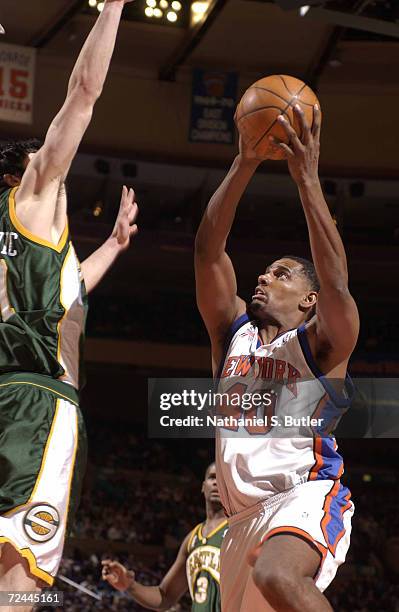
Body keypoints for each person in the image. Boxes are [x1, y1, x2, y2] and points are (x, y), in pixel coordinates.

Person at [194, 105, 359, 611]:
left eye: (282, 274)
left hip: (304, 495)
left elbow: (335, 282)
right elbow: (207, 251)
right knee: (267, 578)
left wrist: (307, 178)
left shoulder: (322, 345)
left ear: (309, 301)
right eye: (264, 272)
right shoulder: (233, 336)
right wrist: (244, 162)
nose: (264, 277)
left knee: (278, 574)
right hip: (240, 522)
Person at [0, 0, 134, 603]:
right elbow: (83, 91)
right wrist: (113, 6)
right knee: (20, 586)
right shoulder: (32, 197)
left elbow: (68, 291)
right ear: (22, 175)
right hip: (36, 403)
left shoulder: (24, 243)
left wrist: (112, 246)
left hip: (7, 390)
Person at [102, 462, 227, 611]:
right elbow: (165, 597)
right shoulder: (192, 539)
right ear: (203, 486)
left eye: (223, 479)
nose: (216, 482)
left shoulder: (238, 530)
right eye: (212, 477)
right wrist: (130, 585)